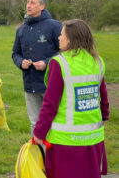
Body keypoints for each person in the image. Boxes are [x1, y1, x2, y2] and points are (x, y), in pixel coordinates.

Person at [33, 19, 109, 178]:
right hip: (93, 140)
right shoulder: (97, 61)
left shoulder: (60, 63)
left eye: (61, 35)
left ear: (71, 38)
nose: (59, 38)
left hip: (65, 142)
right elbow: (103, 94)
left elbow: (50, 104)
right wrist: (105, 115)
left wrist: (39, 133)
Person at [12, 0, 62, 135]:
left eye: (32, 3)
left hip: (50, 84)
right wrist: (21, 62)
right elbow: (15, 53)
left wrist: (47, 63)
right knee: (35, 122)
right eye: (27, 2)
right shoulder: (21, 29)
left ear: (42, 6)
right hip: (30, 85)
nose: (28, 5)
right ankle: (38, 155)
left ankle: (54, 156)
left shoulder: (54, 26)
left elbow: (65, 51)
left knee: (53, 122)